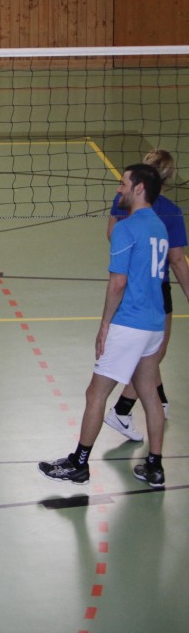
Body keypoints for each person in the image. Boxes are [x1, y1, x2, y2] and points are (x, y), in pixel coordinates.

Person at [39, 164, 170, 488]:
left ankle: (79, 464)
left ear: (139, 188)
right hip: (154, 325)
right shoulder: (160, 226)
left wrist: (104, 325)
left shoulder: (126, 228)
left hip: (130, 324)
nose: (118, 189)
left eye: (123, 184)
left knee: (96, 392)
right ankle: (155, 465)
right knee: (149, 393)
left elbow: (118, 283)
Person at [103, 149, 188, 441]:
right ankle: (123, 409)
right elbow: (177, 260)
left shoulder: (125, 200)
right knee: (154, 351)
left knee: (146, 350)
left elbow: (112, 234)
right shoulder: (170, 212)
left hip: (129, 283)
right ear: (168, 177)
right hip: (156, 289)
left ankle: (157, 398)